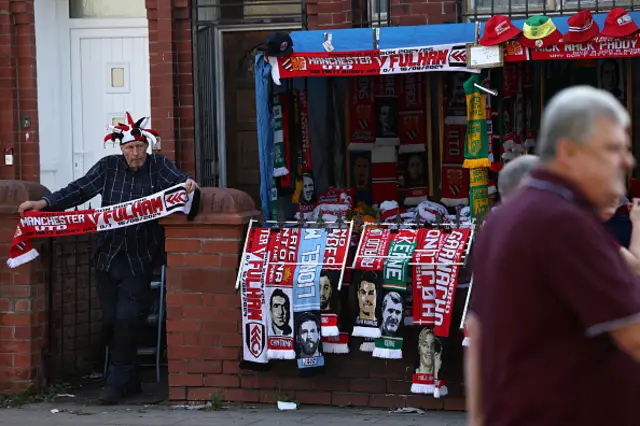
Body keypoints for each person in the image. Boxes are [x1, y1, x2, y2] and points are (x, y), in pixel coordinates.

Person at [468, 86, 640, 426]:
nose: (627, 161)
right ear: (569, 152)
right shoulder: (561, 221)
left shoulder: (505, 217)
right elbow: (633, 334)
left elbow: (478, 332)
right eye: (613, 149)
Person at [17, 113, 198, 405]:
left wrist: (189, 185)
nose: (136, 153)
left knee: (127, 319)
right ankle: (131, 379)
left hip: (139, 258)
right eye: (130, 148)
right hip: (107, 256)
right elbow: (80, 189)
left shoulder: (158, 166)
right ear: (121, 149)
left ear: (147, 147)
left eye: (140, 147)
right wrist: (45, 204)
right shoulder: (108, 167)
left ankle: (115, 384)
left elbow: (182, 185)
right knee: (113, 320)